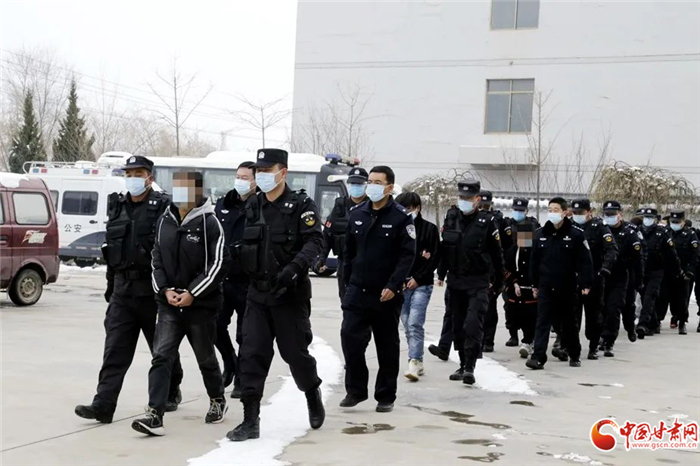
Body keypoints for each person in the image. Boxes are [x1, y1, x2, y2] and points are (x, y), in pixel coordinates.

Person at [75, 156, 183, 424]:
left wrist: (169, 288)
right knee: (115, 350)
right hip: (123, 291)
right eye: (129, 174)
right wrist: (111, 287)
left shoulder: (164, 207)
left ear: (149, 178)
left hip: (153, 291)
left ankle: (171, 388)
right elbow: (111, 251)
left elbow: (172, 251)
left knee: (161, 349)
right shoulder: (118, 206)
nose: (132, 178)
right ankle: (103, 404)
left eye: (138, 174)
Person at [228, 149, 325, 442]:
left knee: (295, 354)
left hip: (289, 295)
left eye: (267, 170)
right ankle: (250, 421)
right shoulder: (252, 204)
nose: (261, 176)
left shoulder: (301, 205)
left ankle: (311, 391)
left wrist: (295, 268)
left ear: (283, 173)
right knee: (251, 354)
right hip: (257, 294)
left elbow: (315, 241)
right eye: (258, 171)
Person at [132, 171, 229, 436]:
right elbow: (156, 258)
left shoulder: (210, 223)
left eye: (188, 188)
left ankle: (217, 399)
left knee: (205, 358)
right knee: (161, 356)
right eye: (178, 187)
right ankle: (155, 413)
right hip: (169, 305)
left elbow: (218, 264)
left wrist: (193, 293)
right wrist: (164, 290)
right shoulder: (165, 220)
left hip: (200, 306)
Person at [340, 166, 416, 412]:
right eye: (369, 182)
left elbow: (407, 256)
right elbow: (348, 253)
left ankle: (385, 396)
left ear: (389, 188)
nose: (371, 186)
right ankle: (355, 390)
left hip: (386, 294)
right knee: (350, 339)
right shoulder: (357, 214)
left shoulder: (401, 217)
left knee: (386, 347)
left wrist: (394, 285)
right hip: (357, 291)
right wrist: (347, 285)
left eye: (377, 182)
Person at [436, 180, 504, 385]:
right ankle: (462, 363)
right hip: (456, 280)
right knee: (458, 325)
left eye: (468, 198)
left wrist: (499, 283)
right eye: (461, 197)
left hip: (478, 281)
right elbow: (446, 248)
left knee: (473, 324)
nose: (463, 201)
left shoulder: (487, 221)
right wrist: (441, 274)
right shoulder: (451, 217)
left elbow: (497, 254)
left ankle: (470, 367)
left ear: (477, 199)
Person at [526, 197, 594, 370]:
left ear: (565, 212)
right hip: (546, 286)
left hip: (567, 286)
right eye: (550, 210)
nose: (552, 213)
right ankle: (538, 357)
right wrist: (534, 284)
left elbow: (585, 262)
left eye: (555, 210)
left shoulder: (576, 234)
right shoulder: (540, 234)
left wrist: (586, 284)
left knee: (569, 322)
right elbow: (534, 262)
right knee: (542, 322)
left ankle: (574, 353)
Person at [214, 161, 256, 398]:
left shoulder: (260, 205)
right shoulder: (223, 203)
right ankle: (230, 363)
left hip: (248, 280)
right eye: (238, 176)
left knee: (245, 335)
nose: (240, 181)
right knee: (214, 327)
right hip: (223, 278)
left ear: (255, 181)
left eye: (245, 177)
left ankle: (241, 378)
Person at [395, 191, 440, 381]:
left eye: (410, 208)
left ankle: (414, 361)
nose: (406, 212)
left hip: (422, 284)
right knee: (407, 324)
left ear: (418, 208)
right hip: (400, 284)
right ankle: (418, 359)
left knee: (415, 322)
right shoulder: (396, 228)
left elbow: (434, 257)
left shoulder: (429, 229)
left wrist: (418, 278)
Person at [570, 199, 618, 360]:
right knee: (572, 314)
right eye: (574, 213)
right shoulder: (569, 226)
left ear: (589, 212)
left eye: (581, 213)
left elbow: (611, 249)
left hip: (594, 277)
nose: (577, 215)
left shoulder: (599, 227)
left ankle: (593, 346)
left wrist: (605, 269)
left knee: (594, 316)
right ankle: (569, 345)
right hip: (573, 278)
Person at [316, 167, 369, 299]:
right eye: (353, 183)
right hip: (344, 261)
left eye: (359, 184)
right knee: (345, 299)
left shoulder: (372, 207)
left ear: (366, 185)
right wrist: (322, 258)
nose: (355, 187)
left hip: (366, 263)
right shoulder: (340, 206)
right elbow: (328, 234)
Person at [599, 201, 644, 354]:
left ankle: (611, 339)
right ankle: (602, 336)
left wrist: (639, 280)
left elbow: (638, 258)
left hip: (622, 276)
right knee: (602, 309)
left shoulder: (630, 233)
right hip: (602, 276)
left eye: (613, 214)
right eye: (607, 214)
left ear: (620, 215)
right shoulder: (600, 230)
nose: (609, 217)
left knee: (616, 308)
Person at [635, 207, 681, 339]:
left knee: (649, 296)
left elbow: (672, 254)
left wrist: (677, 270)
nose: (647, 220)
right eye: (645, 217)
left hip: (657, 270)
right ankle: (654, 323)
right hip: (642, 270)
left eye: (650, 218)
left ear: (656, 219)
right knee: (644, 298)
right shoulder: (637, 231)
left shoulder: (662, 233)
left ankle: (643, 324)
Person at [501, 198, 540, 347]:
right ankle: (513, 335)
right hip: (513, 280)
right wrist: (513, 282)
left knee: (530, 312)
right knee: (510, 308)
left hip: (530, 283)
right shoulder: (506, 225)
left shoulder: (533, 227)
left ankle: (528, 339)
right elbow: (506, 264)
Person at [478, 190, 504, 353]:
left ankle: (488, 340)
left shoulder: (500, 221)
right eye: (481, 206)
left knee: (489, 308)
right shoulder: (470, 220)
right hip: (475, 269)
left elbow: (512, 247)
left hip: (493, 270)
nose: (484, 209)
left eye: (486, 206)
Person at [666, 210, 699, 335]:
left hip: (684, 272)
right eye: (673, 221)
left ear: (683, 222)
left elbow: (695, 254)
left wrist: (690, 270)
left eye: (677, 222)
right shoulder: (666, 232)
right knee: (669, 298)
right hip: (669, 271)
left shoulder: (690, 234)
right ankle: (674, 316)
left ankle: (682, 322)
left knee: (683, 299)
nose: (674, 224)